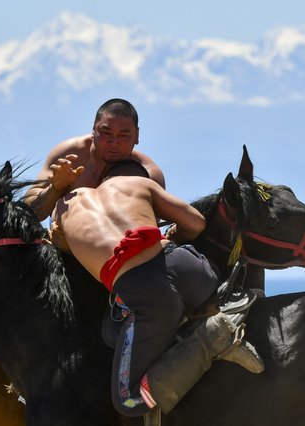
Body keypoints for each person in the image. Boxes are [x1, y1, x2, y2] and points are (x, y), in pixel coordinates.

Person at [50, 159, 264, 417]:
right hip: (190, 268)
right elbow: (196, 223)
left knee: (127, 401)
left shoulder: (61, 208)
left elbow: (64, 250)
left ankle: (210, 339)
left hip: (145, 292)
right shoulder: (138, 184)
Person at [23, 98, 165, 221]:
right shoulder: (69, 156)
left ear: (136, 136)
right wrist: (55, 189)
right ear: (93, 130)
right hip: (60, 244)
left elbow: (150, 232)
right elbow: (28, 213)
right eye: (106, 133)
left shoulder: (149, 176)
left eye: (123, 135)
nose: (114, 142)